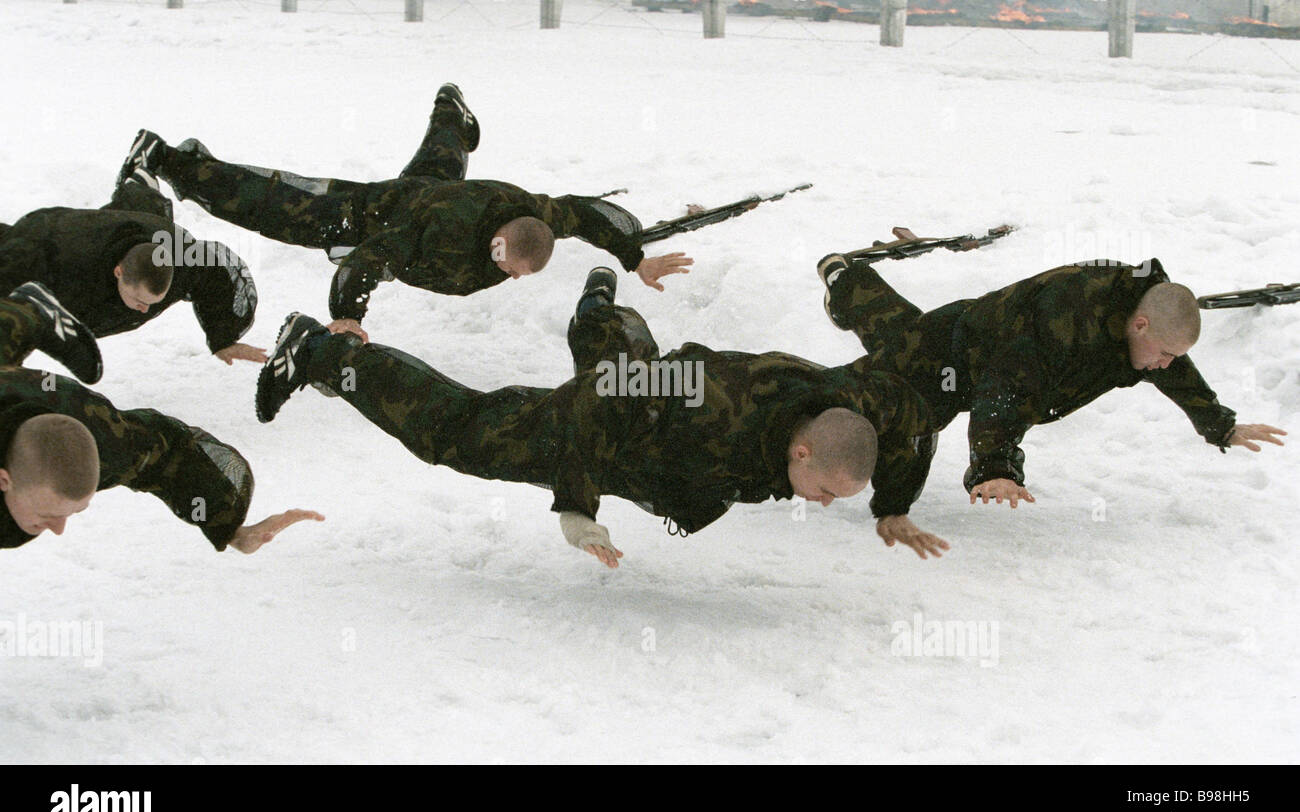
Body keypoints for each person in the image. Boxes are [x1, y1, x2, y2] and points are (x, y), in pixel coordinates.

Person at [254, 267, 941, 567]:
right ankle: (319, 350)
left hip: (654, 415)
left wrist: (892, 504)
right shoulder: (714, 402)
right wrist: (577, 509)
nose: (823, 506)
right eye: (826, 493)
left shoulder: (860, 409)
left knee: (631, 370)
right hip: (609, 430)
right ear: (801, 455)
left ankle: (598, 310)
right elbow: (596, 404)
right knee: (457, 434)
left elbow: (917, 419)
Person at [122, 84, 693, 339]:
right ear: (497, 240)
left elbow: (588, 212)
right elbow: (365, 261)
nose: (505, 275)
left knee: (441, 157)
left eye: (514, 275)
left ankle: (451, 108)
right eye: (504, 264)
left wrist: (634, 256)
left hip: (430, 190)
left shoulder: (532, 213)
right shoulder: (435, 238)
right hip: (368, 215)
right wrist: (349, 315)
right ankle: (171, 160)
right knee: (268, 206)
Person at [817, 253, 1286, 555]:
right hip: (956, 356)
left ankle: (846, 279)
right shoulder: (1064, 323)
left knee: (899, 338)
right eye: (1163, 353)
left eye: (1172, 357)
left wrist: (1220, 426)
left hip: (974, 344)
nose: (1165, 365)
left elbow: (1175, 367)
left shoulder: (1140, 327)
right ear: (1140, 325)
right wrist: (994, 466)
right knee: (865, 399)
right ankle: (785, 382)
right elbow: (1005, 389)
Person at [0, 283, 321, 551]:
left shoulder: (107, 443)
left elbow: (169, 451)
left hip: (42, 396)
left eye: (73, 512)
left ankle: (27, 312)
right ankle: (29, 312)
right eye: (46, 513)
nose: (59, 530)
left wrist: (228, 527)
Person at [0, 159, 263, 368]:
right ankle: (139, 186)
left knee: (138, 213)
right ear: (119, 272)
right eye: (139, 299)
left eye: (152, 302)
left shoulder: (184, 260)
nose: (143, 309)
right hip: (49, 237)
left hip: (142, 226)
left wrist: (222, 338)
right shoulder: (63, 260)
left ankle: (141, 182)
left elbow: (217, 278)